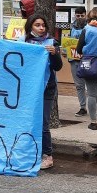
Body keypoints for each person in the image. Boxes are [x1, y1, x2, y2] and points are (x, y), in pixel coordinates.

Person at [24, 13, 63, 170]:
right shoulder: (23, 42)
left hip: (47, 87)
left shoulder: (52, 42)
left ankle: (47, 155)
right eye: (37, 25)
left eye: (43, 25)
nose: (41, 28)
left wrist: (54, 55)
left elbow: (58, 67)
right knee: (27, 120)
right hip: (29, 88)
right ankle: (29, 151)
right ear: (30, 27)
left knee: (43, 122)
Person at [67, 7, 97, 117]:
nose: (79, 18)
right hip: (74, 59)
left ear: (85, 15)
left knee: (92, 85)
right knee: (79, 85)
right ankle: (82, 107)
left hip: (87, 59)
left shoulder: (90, 27)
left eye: (82, 15)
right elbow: (67, 42)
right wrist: (66, 49)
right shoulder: (71, 27)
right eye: (77, 16)